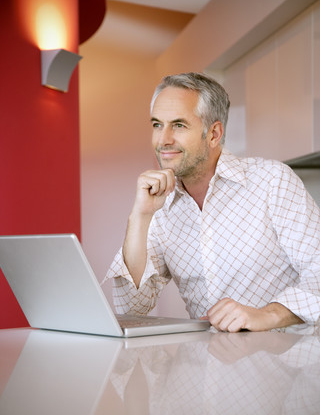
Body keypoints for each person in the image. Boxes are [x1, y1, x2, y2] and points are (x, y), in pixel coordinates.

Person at [106, 72, 320, 333]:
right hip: (206, 366)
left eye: (179, 125)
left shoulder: (272, 181)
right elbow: (131, 308)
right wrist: (139, 216)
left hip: (283, 362)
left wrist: (268, 315)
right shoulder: (159, 207)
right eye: (157, 125)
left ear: (214, 134)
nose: (163, 140)